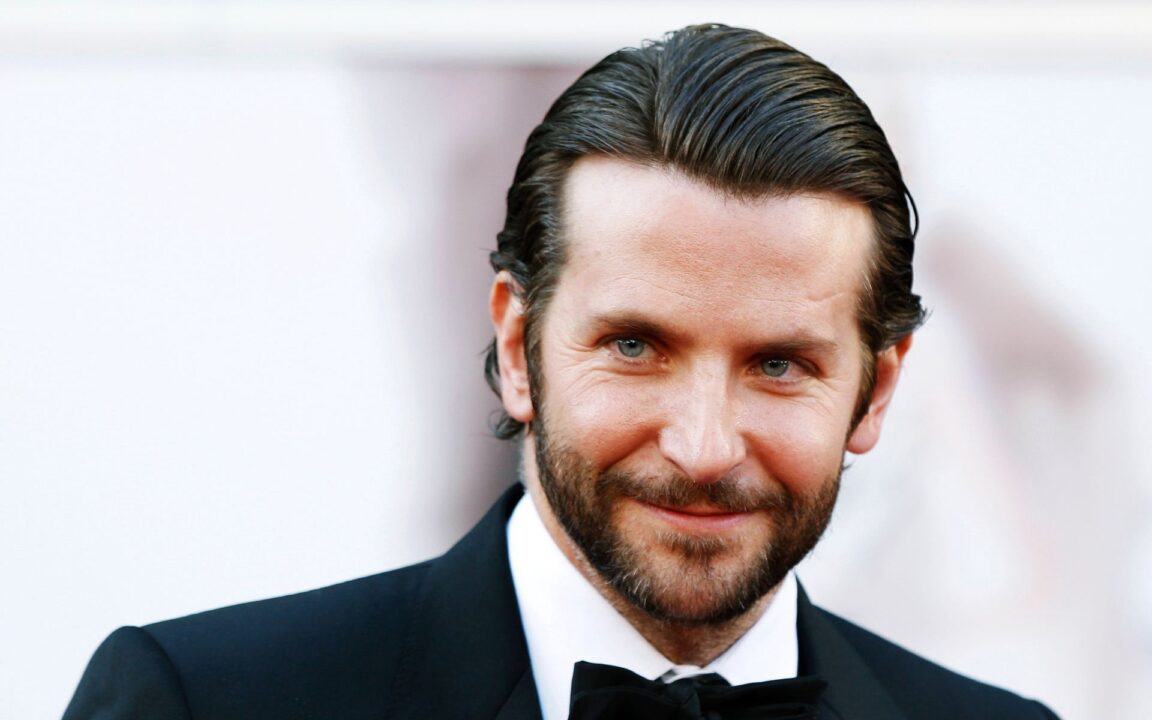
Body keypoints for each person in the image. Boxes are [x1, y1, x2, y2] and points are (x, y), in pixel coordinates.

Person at [63, 24, 1059, 720]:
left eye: (778, 364)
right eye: (635, 347)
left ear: (875, 391)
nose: (704, 448)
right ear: (516, 347)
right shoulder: (201, 703)